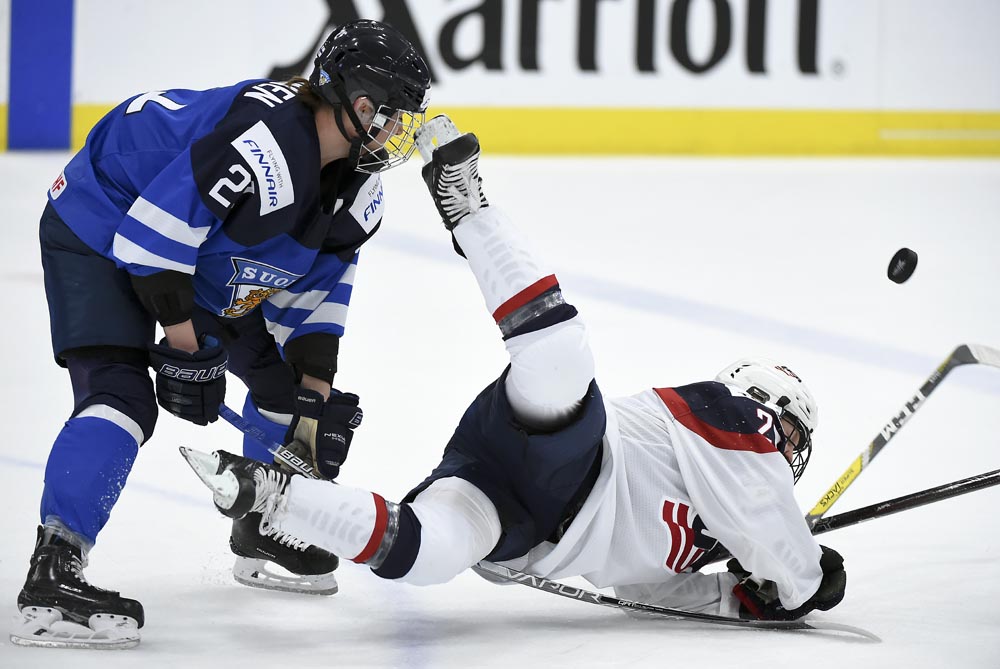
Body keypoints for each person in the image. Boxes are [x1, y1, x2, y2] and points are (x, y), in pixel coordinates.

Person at [182, 117, 847, 624]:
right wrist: (805, 579)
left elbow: (657, 593)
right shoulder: (732, 422)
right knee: (558, 355)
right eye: (788, 429)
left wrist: (744, 595)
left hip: (516, 515)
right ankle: (470, 209)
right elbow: (770, 517)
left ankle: (269, 496)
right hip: (570, 446)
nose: (784, 447)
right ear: (761, 404)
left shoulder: (718, 526)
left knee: (431, 553)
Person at [12, 20, 431, 650]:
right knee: (121, 396)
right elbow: (151, 240)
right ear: (343, 95)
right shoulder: (262, 145)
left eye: (401, 117)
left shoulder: (356, 189)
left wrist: (311, 407)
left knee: (288, 392)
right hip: (101, 216)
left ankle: (261, 522)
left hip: (194, 247)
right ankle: (54, 569)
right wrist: (187, 350)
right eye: (383, 111)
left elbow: (315, 301)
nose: (393, 130)